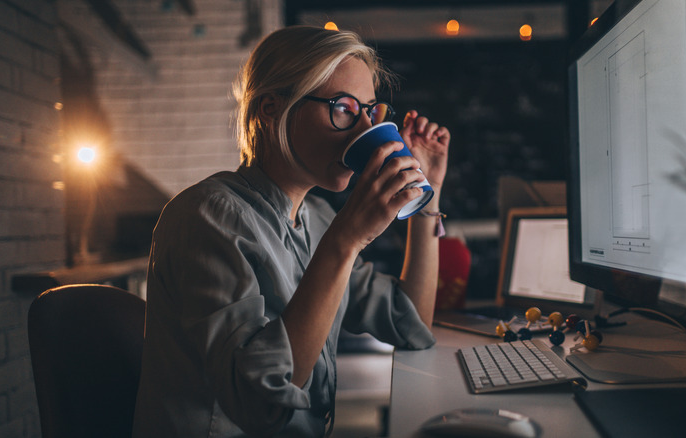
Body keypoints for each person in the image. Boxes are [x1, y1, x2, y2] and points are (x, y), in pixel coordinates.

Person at [132, 25, 450, 438]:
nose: (364, 131)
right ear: (271, 108)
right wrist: (347, 239)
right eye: (343, 108)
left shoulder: (315, 217)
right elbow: (259, 405)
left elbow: (411, 325)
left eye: (370, 112)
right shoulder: (205, 216)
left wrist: (428, 193)